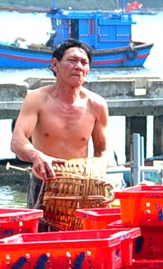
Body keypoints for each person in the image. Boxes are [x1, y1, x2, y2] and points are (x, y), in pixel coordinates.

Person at [11, 39, 109, 210]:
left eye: (84, 63)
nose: (79, 67)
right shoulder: (37, 99)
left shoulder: (96, 104)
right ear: (55, 64)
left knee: (81, 236)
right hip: (45, 184)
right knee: (40, 235)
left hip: (81, 187)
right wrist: (36, 156)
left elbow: (102, 151)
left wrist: (96, 172)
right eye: (72, 60)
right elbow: (17, 141)